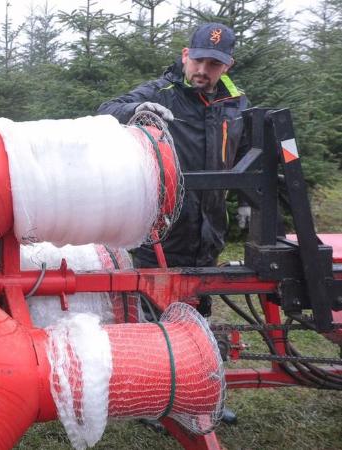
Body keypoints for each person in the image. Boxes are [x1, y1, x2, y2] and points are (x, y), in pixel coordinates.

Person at [98, 22, 249, 425]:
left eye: (214, 64)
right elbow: (104, 110)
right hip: (162, 228)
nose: (203, 70)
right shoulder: (159, 93)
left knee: (197, 308)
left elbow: (249, 154)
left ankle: (198, 391)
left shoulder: (235, 104)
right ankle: (154, 398)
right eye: (198, 60)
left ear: (227, 65)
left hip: (209, 228)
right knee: (153, 310)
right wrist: (136, 111)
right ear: (185, 55)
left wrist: (251, 198)